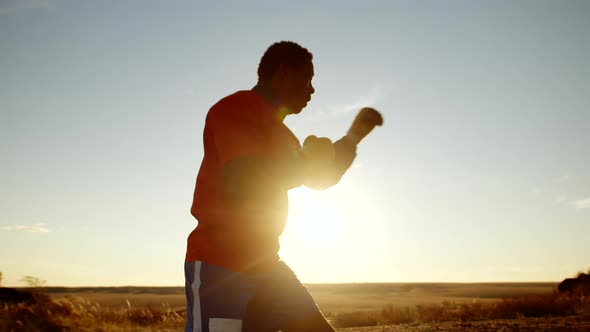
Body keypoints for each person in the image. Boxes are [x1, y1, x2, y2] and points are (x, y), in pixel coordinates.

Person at [185, 41, 382, 332]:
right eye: (307, 79)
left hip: (267, 266)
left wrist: (353, 137)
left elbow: (319, 179)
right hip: (220, 267)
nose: (312, 90)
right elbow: (245, 178)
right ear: (282, 72)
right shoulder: (234, 109)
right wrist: (306, 160)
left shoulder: (282, 134)